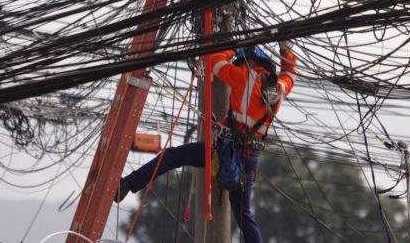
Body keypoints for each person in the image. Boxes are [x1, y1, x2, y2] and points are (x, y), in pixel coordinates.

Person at [115, 41, 297, 243]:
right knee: (245, 216)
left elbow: (214, 62)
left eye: (241, 62)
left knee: (173, 156)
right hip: (250, 159)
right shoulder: (279, 89)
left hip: (224, 152)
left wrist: (233, 47)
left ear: (249, 62)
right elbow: (290, 74)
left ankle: (127, 184)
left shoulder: (244, 77)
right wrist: (286, 51)